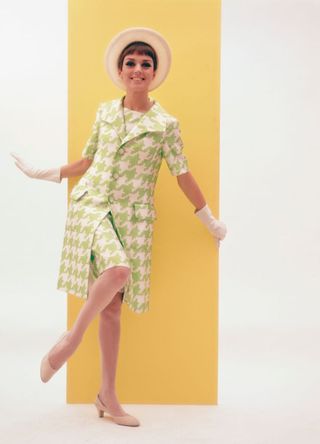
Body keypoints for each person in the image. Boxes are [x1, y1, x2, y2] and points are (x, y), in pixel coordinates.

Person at [10, 27, 227, 427]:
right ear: (121, 70)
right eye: (131, 62)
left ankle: (107, 396)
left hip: (133, 217)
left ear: (155, 72)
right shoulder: (105, 112)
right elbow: (86, 162)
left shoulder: (165, 124)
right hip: (92, 206)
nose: (138, 68)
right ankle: (68, 343)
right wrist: (44, 172)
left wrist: (208, 218)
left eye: (146, 63)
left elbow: (182, 174)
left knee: (112, 309)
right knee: (118, 271)